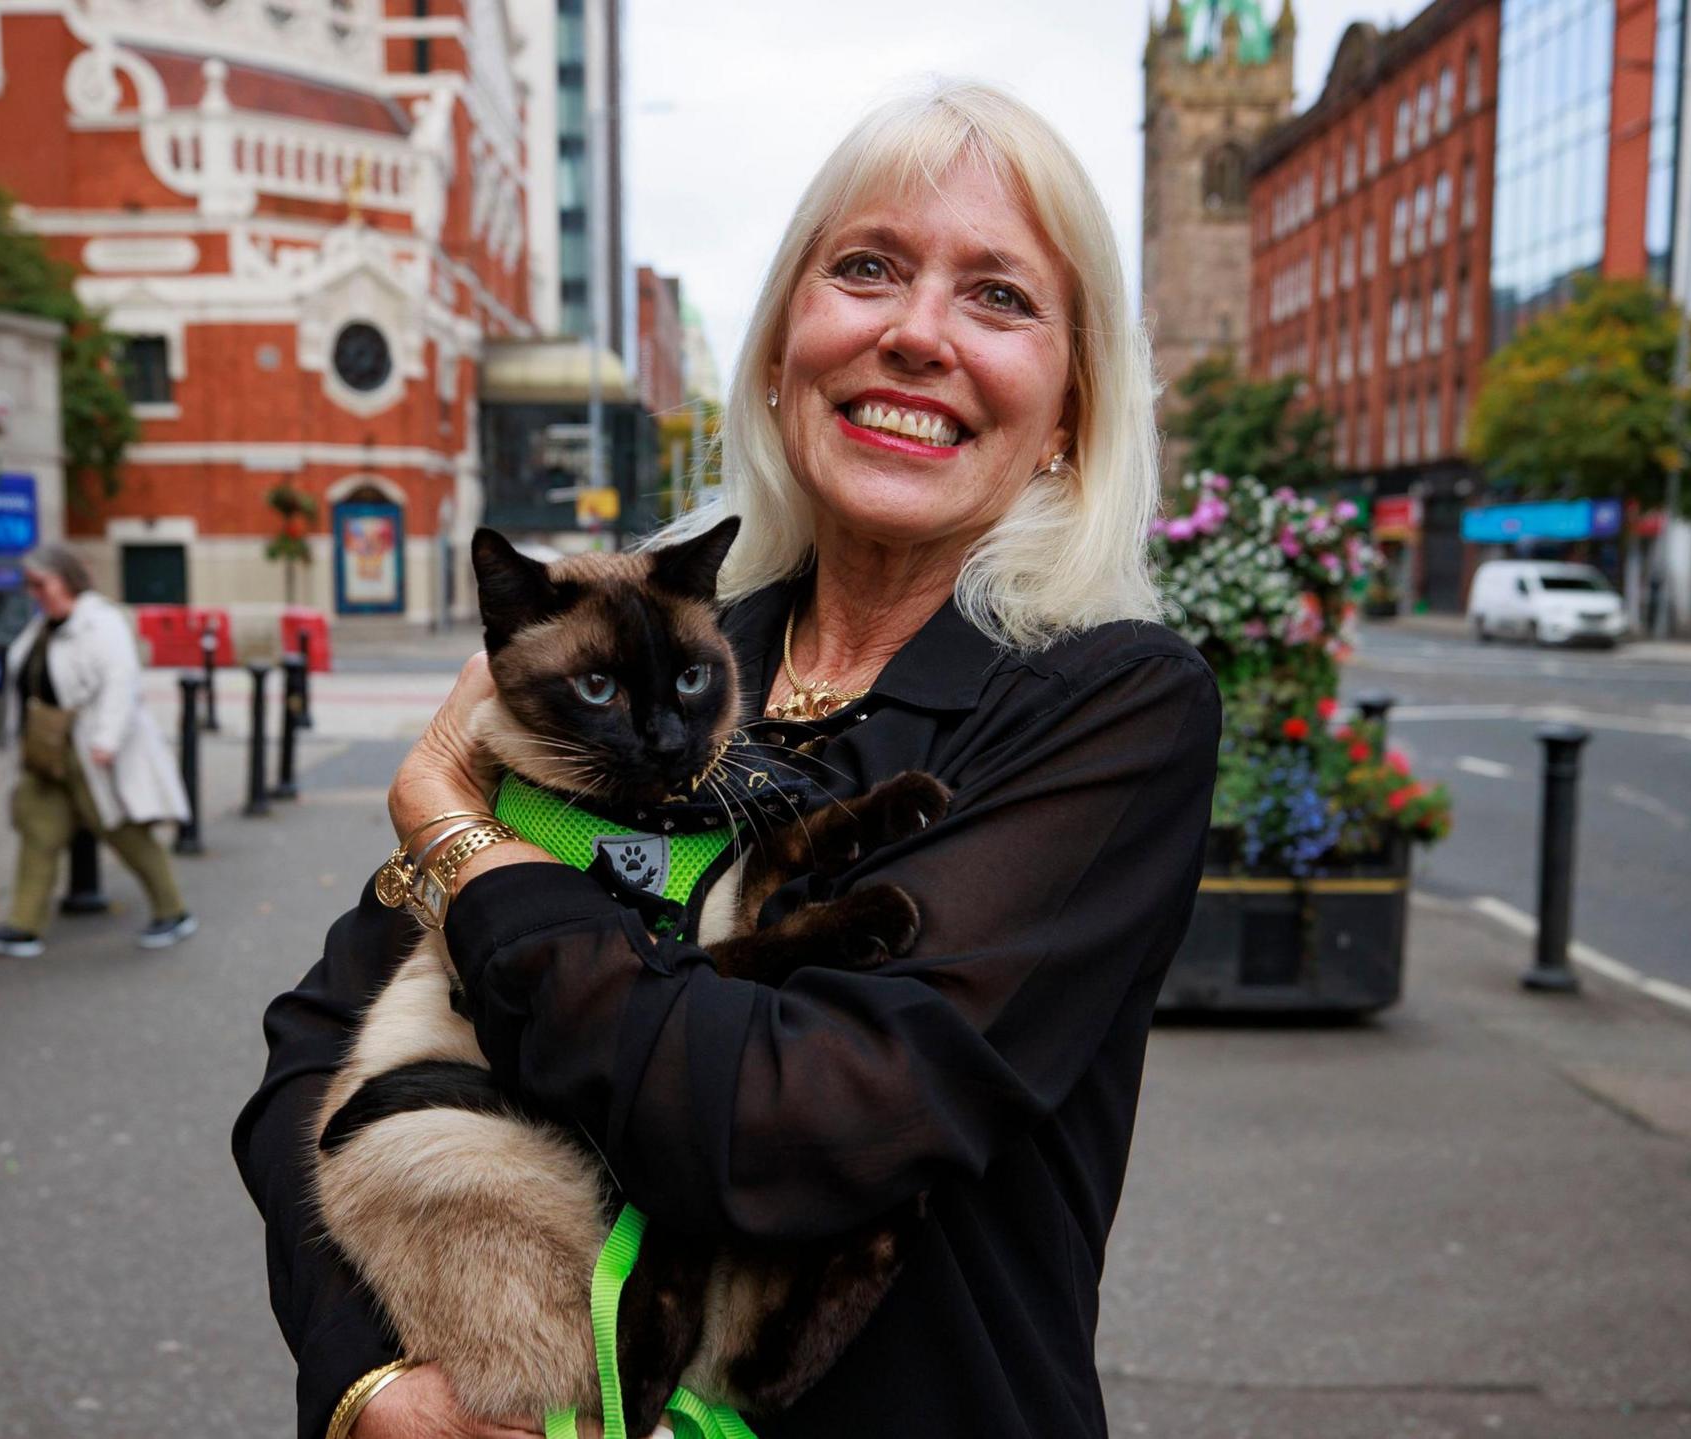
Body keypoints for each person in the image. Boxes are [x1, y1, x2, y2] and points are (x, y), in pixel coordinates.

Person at [233, 81, 1219, 1439]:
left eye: (998, 296)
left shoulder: (1103, 700)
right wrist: (371, 1381)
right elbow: (316, 1042)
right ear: (779, 348)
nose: (916, 333)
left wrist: (458, 836)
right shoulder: (660, 648)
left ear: (1066, 410)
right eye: (866, 267)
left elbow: (795, 1121)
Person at [0, 544, 196, 957]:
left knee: (125, 831)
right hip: (48, 750)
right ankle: (22, 925)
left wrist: (106, 740)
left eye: (41, 583)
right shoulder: (43, 626)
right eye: (30, 585)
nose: (34, 592)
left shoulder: (99, 623)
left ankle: (173, 911)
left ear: (66, 579)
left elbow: (120, 680)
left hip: (90, 750)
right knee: (38, 832)